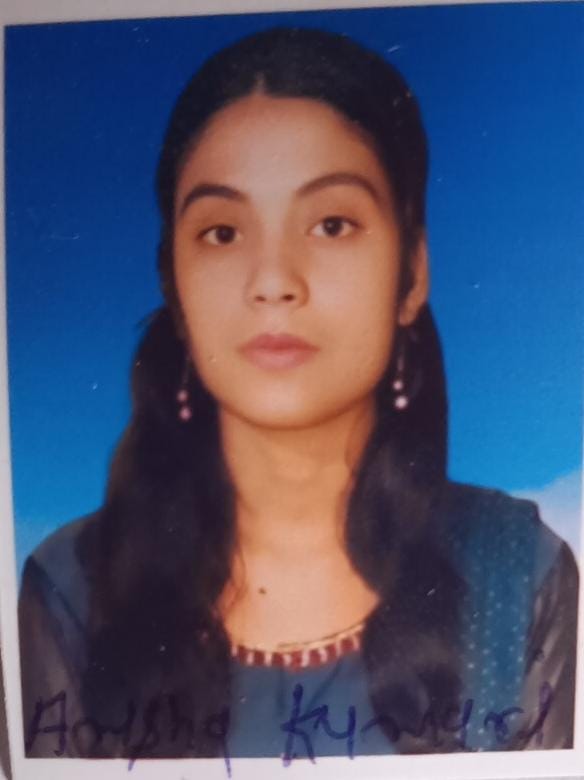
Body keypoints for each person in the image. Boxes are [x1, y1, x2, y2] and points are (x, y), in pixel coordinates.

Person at [18, 27, 578, 761]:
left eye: (331, 224)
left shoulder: (519, 579)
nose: (274, 280)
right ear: (174, 286)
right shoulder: (72, 594)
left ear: (412, 273)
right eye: (223, 232)